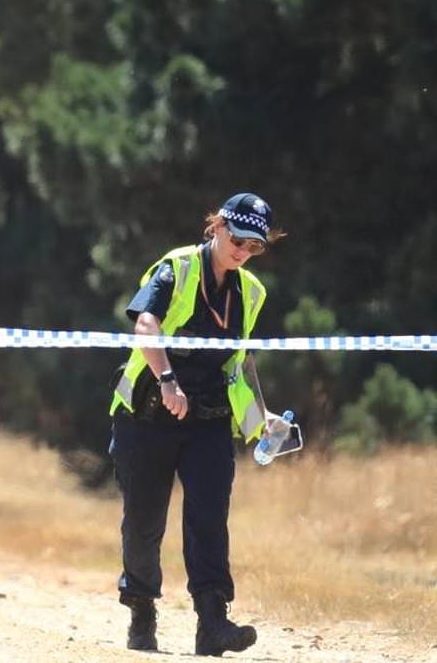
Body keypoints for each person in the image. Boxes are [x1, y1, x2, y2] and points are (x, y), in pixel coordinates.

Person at [107, 192, 287, 656]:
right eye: (239, 238)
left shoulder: (251, 292)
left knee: (209, 519)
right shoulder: (178, 268)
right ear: (218, 226)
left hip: (208, 421)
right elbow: (146, 325)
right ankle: (142, 609)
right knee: (144, 523)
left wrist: (261, 417)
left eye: (255, 246)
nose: (244, 251)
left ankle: (213, 622)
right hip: (147, 415)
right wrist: (167, 379)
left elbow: (241, 364)